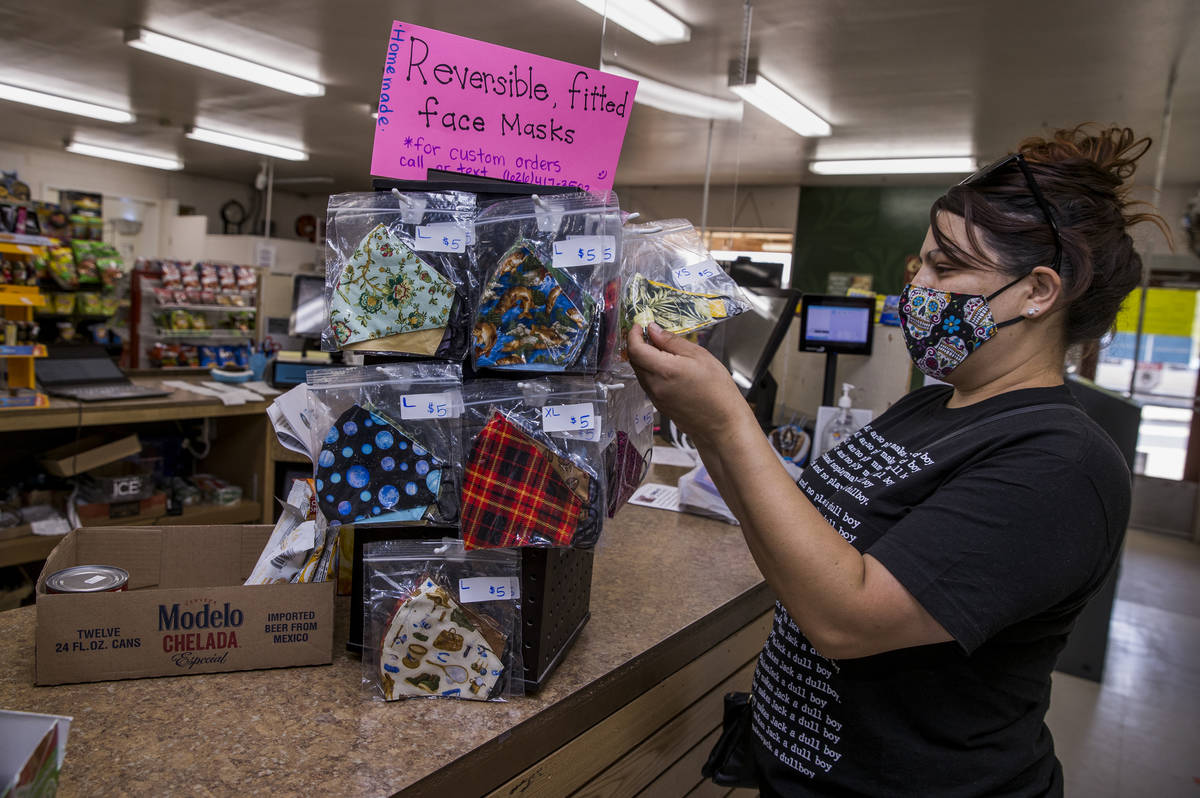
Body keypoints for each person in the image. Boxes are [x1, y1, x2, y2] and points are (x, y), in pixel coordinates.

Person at [627, 125, 1167, 797]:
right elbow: (806, 529)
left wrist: (729, 421)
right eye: (920, 265)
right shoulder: (932, 408)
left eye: (946, 268)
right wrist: (700, 421)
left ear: (1037, 292)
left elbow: (846, 618)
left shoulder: (1061, 465)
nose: (917, 287)